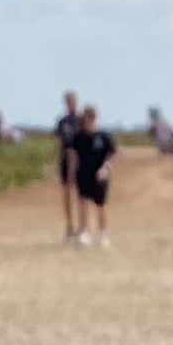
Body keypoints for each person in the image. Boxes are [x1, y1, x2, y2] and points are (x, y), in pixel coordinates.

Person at [73, 100, 116, 245]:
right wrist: (73, 173)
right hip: (83, 173)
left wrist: (106, 167)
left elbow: (111, 154)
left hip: (99, 175)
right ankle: (83, 231)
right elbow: (74, 155)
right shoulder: (79, 136)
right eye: (86, 118)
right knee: (83, 202)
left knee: (101, 204)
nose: (88, 121)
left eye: (91, 117)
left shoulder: (104, 136)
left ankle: (103, 234)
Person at [55, 87, 84, 242]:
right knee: (67, 193)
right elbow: (59, 142)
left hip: (79, 159)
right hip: (65, 158)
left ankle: (81, 226)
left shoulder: (82, 120)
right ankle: (69, 225)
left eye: (73, 102)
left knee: (80, 193)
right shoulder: (62, 122)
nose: (70, 104)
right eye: (68, 102)